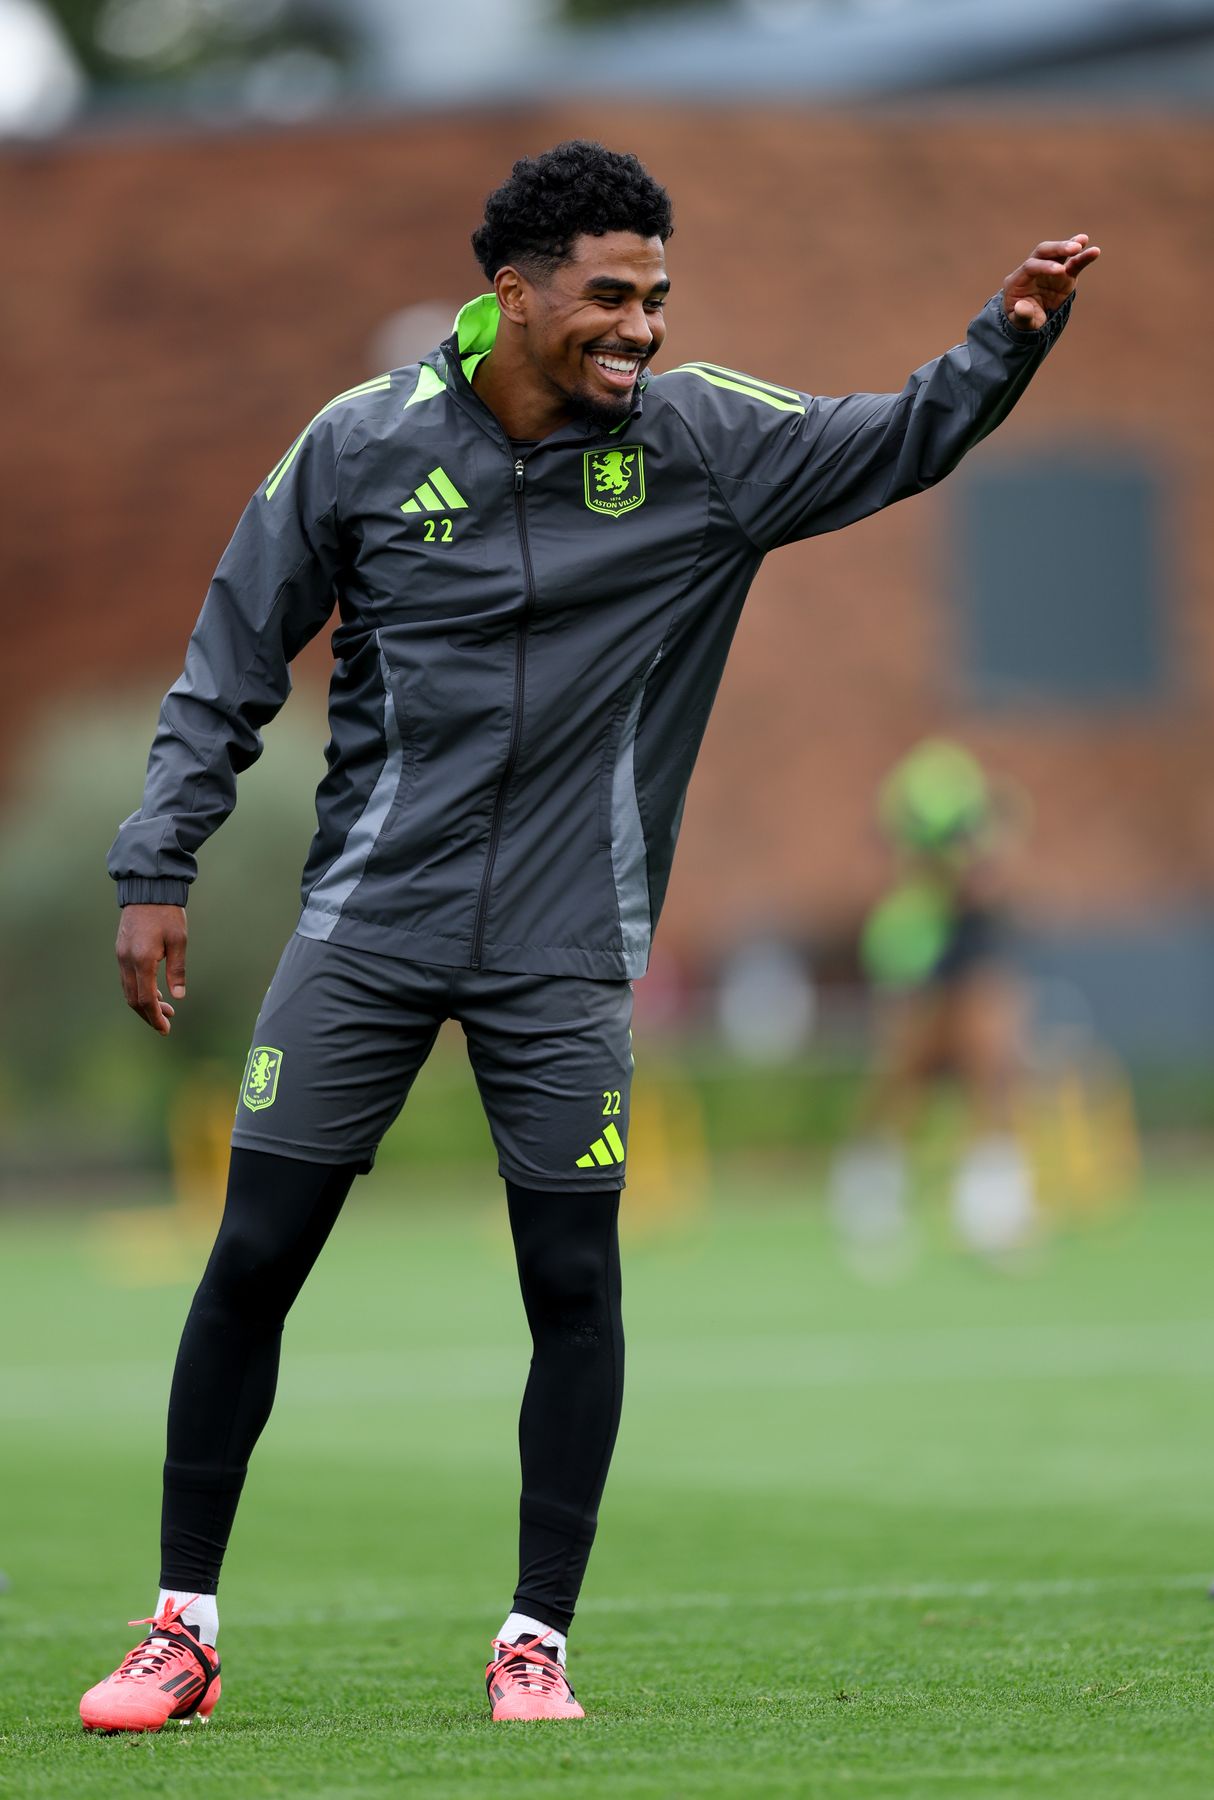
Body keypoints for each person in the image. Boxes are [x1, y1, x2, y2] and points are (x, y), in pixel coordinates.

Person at [81, 139, 1099, 1730]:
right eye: (610, 297)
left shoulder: (701, 443)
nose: (641, 327)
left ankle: (533, 1642)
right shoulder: (359, 446)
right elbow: (225, 662)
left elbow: (894, 437)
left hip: (567, 942)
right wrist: (159, 864)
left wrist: (1005, 341)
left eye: (658, 298)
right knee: (255, 1255)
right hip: (368, 921)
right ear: (515, 296)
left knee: (570, 1274)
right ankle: (181, 1629)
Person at [830, 739, 1036, 1263]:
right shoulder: (912, 891)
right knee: (905, 1079)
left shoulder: (987, 873)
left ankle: (993, 1213)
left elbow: (994, 879)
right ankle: (869, 1192)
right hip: (920, 949)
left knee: (994, 1068)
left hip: (973, 946)